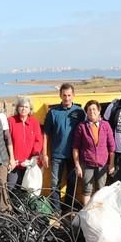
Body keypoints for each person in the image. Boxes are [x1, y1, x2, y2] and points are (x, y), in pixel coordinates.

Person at [40, 83, 85, 212]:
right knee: (55, 184)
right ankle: (57, 211)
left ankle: (68, 210)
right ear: (60, 95)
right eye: (64, 95)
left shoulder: (80, 112)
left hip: (74, 156)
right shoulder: (53, 112)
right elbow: (46, 134)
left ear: (73, 95)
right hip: (57, 155)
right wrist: (45, 154)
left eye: (69, 95)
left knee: (72, 183)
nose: (66, 98)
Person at [72, 100, 116, 206]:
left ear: (99, 111)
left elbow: (112, 147)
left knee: (101, 190)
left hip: (103, 164)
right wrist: (77, 165)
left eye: (94, 109)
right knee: (87, 190)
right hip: (87, 163)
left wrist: (111, 164)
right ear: (86, 112)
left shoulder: (106, 125)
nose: (92, 112)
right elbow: (75, 148)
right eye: (89, 109)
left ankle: (99, 213)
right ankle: (87, 213)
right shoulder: (81, 127)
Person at [6, 97, 42, 189]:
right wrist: (11, 159)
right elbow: (6, 140)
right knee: (11, 187)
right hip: (14, 163)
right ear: (17, 108)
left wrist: (34, 156)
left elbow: (38, 140)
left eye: (26, 107)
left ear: (30, 109)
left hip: (29, 164)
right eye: (21, 106)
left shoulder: (34, 122)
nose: (23, 109)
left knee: (27, 189)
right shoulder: (11, 121)